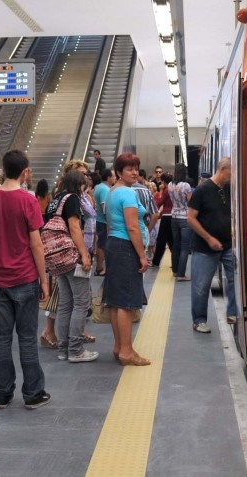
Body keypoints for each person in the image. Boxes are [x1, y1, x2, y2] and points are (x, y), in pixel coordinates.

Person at [0, 149, 51, 409]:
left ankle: (2, 392)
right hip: (24, 278)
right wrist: (44, 280)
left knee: (1, 339)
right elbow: (36, 245)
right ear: (24, 171)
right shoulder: (28, 201)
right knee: (27, 338)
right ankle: (33, 393)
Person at [104, 152, 151, 367]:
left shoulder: (112, 191)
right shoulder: (128, 194)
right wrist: (142, 255)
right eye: (129, 168)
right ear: (119, 171)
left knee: (115, 301)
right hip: (126, 247)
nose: (134, 172)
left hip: (114, 244)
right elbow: (133, 227)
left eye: (136, 168)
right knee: (126, 303)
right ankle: (126, 351)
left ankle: (118, 346)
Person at [47, 170, 97, 363]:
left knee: (65, 304)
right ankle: (76, 350)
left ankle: (63, 349)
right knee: (81, 303)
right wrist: (84, 254)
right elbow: (74, 228)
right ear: (78, 184)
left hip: (56, 258)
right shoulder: (73, 198)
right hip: (71, 256)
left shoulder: (55, 200)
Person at [188, 158, 236, 332]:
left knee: (235, 278)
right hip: (204, 247)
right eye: (231, 172)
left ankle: (233, 312)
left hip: (228, 245)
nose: (233, 176)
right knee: (201, 286)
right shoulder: (202, 190)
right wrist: (208, 238)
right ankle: (199, 320)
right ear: (223, 169)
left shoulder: (228, 188)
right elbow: (191, 217)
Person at [169, 163, 194, 281]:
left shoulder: (170, 185)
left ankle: (175, 271)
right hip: (184, 218)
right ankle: (181, 274)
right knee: (184, 247)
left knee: (176, 245)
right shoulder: (186, 186)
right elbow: (191, 202)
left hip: (173, 217)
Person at [133, 169, 160, 262]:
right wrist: (148, 230)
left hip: (122, 235)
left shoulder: (115, 191)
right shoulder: (146, 191)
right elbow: (155, 214)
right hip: (142, 230)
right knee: (141, 261)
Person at [93, 169, 116, 276]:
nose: (115, 178)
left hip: (99, 219)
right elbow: (104, 206)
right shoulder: (105, 190)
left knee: (101, 244)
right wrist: (110, 221)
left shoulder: (98, 187)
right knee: (102, 245)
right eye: (114, 176)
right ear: (108, 177)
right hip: (103, 221)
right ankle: (100, 268)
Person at [151, 173, 174, 268]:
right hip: (174, 216)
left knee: (161, 240)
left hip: (166, 216)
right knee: (172, 240)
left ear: (163, 181)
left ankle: (156, 262)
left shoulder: (166, 190)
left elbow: (160, 202)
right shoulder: (174, 188)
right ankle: (176, 261)